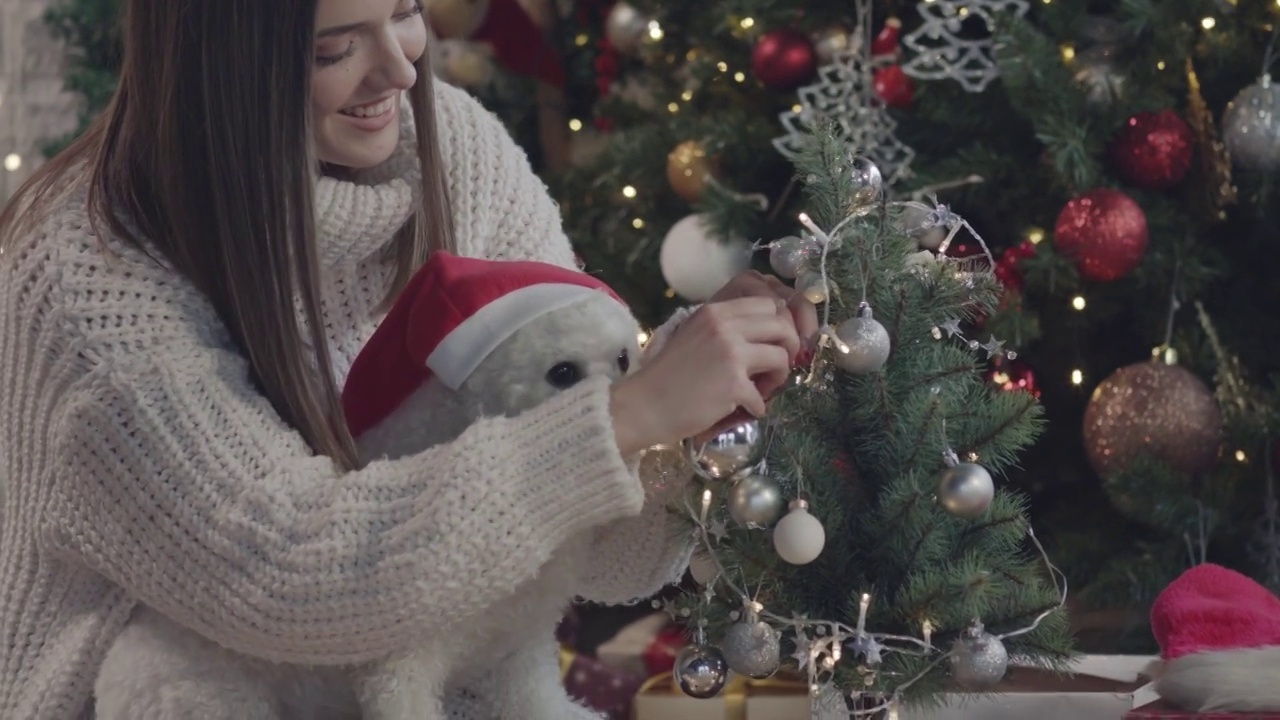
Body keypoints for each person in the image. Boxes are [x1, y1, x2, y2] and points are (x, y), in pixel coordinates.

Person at [0, 0, 817, 718]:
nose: (400, 66)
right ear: (221, 64)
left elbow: (601, 558)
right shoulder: (90, 279)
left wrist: (691, 389)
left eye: (404, 10)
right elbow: (290, 573)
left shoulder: (453, 146)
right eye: (333, 48)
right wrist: (630, 414)